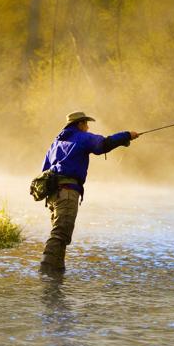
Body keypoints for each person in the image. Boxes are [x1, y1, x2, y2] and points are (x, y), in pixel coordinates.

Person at [39, 111, 139, 274]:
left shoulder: (55, 143)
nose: (88, 127)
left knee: (60, 234)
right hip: (68, 192)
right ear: (79, 124)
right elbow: (103, 145)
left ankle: (56, 275)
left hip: (53, 196)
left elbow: (44, 170)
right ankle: (45, 273)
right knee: (60, 233)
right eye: (86, 123)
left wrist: (123, 141)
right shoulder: (81, 137)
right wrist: (127, 135)